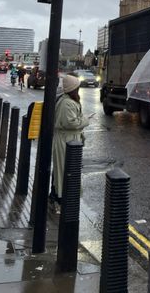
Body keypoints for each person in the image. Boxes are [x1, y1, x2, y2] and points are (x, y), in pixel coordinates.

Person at [51, 74, 91, 210]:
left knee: (64, 170)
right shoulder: (67, 103)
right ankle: (62, 199)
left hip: (69, 139)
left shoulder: (66, 100)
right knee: (64, 170)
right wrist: (86, 120)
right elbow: (71, 123)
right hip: (66, 140)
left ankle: (59, 196)